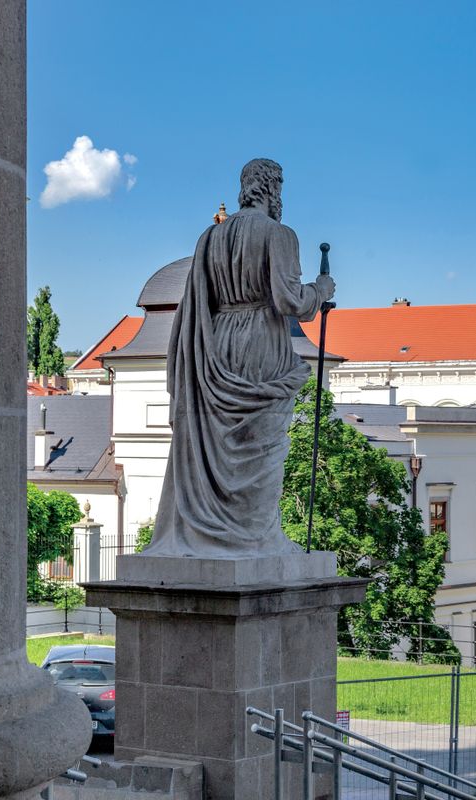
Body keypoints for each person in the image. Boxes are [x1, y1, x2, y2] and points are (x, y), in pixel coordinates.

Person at [145, 159, 335, 557]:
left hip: (216, 344)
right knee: (261, 444)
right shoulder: (279, 234)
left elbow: (198, 302)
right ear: (273, 188)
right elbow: (290, 301)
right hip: (261, 341)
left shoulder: (209, 238)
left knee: (220, 442)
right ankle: (255, 537)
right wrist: (320, 290)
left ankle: (215, 534)